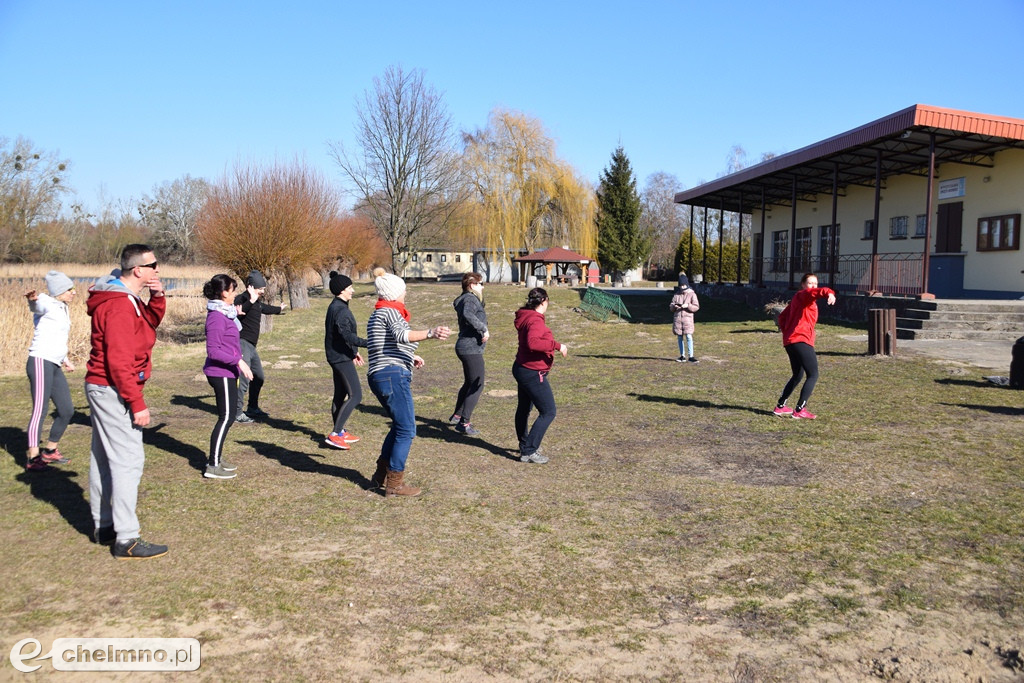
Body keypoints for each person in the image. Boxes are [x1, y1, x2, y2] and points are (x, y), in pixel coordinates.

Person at [85, 244, 167, 559]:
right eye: (153, 265)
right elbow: (118, 360)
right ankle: (126, 538)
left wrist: (158, 297)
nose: (158, 270)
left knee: (104, 457)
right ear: (138, 270)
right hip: (111, 387)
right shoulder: (118, 304)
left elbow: (146, 326)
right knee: (128, 460)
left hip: (104, 385)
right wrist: (136, 402)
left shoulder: (126, 298)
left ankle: (105, 525)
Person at [365, 267, 449, 497]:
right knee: (407, 429)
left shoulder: (378, 313)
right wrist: (431, 332)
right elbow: (402, 336)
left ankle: (380, 477)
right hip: (391, 375)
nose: (405, 295)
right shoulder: (390, 312)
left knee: (398, 425)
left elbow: (382, 346)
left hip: (381, 375)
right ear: (395, 293)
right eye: (403, 291)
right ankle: (394, 484)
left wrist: (409, 356)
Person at [24, 270, 77, 471]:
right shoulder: (46, 301)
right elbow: (36, 306)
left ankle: (50, 450)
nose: (73, 292)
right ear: (59, 291)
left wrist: (66, 360)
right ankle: (33, 457)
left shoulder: (63, 308)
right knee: (40, 409)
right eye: (69, 289)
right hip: (39, 360)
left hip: (54, 363)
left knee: (66, 410)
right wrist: (32, 300)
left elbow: (56, 338)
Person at [202, 274, 254, 479]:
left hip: (229, 372)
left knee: (230, 416)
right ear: (224, 293)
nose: (235, 294)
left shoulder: (226, 313)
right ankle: (212, 466)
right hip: (220, 373)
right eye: (233, 290)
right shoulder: (216, 317)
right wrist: (239, 361)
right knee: (225, 418)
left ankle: (217, 458)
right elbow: (213, 351)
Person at [512, 287, 567, 464]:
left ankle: (525, 444)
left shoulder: (526, 316)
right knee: (548, 411)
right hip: (533, 372)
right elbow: (533, 343)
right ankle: (529, 450)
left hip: (523, 368)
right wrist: (557, 345)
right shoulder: (535, 320)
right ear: (544, 301)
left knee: (524, 409)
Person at [773, 272, 837, 420]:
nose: (813, 286)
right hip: (801, 340)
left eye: (815, 283)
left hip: (791, 341)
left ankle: (780, 407)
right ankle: (799, 410)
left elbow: (782, 317)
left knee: (798, 375)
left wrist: (787, 332)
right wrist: (829, 293)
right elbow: (816, 293)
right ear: (803, 285)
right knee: (813, 374)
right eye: (810, 283)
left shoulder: (797, 299)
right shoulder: (804, 296)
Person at [233, 270, 284, 423]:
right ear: (250, 287)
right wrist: (252, 300)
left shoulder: (256, 301)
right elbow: (240, 312)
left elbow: (263, 309)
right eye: (260, 289)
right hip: (242, 343)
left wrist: (279, 309)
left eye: (263, 289)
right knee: (244, 379)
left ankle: (252, 408)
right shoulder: (241, 299)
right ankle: (236, 413)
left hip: (252, 346)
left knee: (258, 377)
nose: (262, 292)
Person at [324, 272, 366, 450]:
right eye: (350, 288)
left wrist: (354, 351)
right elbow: (347, 335)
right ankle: (335, 433)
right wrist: (369, 343)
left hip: (339, 355)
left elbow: (342, 337)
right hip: (340, 358)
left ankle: (340, 432)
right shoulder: (340, 310)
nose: (353, 290)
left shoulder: (337, 305)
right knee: (356, 395)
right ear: (342, 290)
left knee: (340, 395)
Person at [448, 272, 489, 436]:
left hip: (466, 347)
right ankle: (464, 423)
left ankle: (457, 416)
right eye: (480, 283)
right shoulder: (470, 299)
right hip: (470, 348)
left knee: (469, 383)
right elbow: (468, 314)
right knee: (477, 384)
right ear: (472, 285)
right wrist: (483, 328)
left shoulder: (467, 298)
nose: (483, 286)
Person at [670, 275, 700, 363]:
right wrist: (674, 306)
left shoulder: (692, 294)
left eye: (683, 285)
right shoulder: (676, 295)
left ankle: (691, 356)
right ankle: (682, 355)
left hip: (688, 320)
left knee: (689, 336)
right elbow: (671, 306)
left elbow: (696, 307)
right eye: (680, 285)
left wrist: (688, 306)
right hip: (678, 320)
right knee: (679, 337)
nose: (682, 287)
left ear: (687, 284)